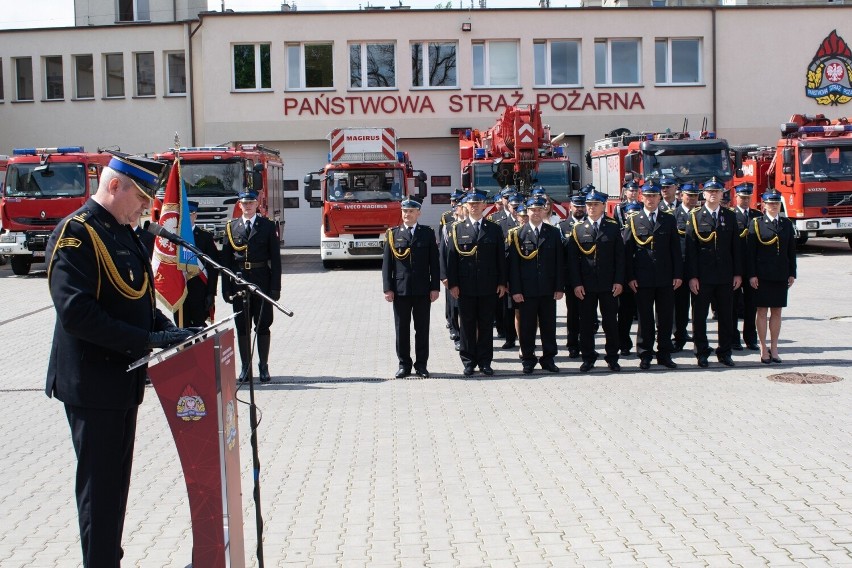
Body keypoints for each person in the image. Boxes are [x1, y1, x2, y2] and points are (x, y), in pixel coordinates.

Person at [45, 152, 195, 567]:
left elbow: (138, 299)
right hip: (92, 385)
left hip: (122, 381)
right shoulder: (76, 235)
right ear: (114, 186)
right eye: (140, 196)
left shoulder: (123, 233)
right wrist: (145, 339)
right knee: (100, 491)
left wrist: (172, 330)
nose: (145, 206)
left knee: (115, 490)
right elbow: (77, 314)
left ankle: (109, 557)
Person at [220, 190, 282, 383]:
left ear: (257, 205)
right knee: (242, 327)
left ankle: (263, 366)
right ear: (239, 205)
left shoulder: (267, 226)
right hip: (239, 282)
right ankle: (245, 367)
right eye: (244, 203)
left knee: (262, 325)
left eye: (251, 203)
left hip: (262, 281)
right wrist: (225, 288)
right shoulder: (231, 227)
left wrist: (275, 287)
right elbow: (226, 261)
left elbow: (276, 260)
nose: (247, 206)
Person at [446, 190, 507, 376]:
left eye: (478, 203)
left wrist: (502, 282)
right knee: (467, 325)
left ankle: (485, 361)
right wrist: (453, 284)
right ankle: (468, 361)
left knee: (486, 325)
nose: (474, 206)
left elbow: (500, 259)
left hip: (489, 285)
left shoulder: (494, 229)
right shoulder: (457, 229)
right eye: (471, 204)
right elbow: (452, 259)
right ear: (465, 206)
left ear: (483, 206)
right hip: (465, 287)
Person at [623, 181, 683, 370]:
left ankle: (664, 353)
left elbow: (676, 249)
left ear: (659, 198)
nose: (650, 199)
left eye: (654, 196)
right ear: (641, 198)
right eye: (647, 196)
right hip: (642, 278)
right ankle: (645, 353)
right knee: (645, 318)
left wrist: (678, 274)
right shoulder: (634, 220)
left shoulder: (668, 219)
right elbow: (627, 252)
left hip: (665, 277)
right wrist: (630, 277)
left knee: (665, 318)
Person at [685, 178, 742, 368]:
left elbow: (736, 247)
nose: (713, 194)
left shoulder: (730, 216)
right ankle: (701, 352)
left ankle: (725, 352)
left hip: (725, 276)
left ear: (722, 194)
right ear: (704, 194)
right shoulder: (695, 217)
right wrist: (692, 276)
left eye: (717, 192)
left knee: (726, 316)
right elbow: (691, 250)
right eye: (710, 191)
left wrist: (737, 273)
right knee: (699, 317)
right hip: (702, 277)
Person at [567, 190, 624, 372]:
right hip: (586, 285)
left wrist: (619, 281)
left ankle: (612, 357)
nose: (591, 208)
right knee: (586, 323)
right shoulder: (578, 229)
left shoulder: (613, 227)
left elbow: (620, 258)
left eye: (595, 205)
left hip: (608, 284)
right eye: (589, 205)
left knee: (610, 323)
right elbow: (573, 262)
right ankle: (588, 357)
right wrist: (576, 283)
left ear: (603, 206)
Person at [383, 198, 440, 378]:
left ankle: (421, 365)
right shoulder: (393, 234)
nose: (407, 215)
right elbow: (387, 264)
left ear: (418, 213)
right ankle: (404, 365)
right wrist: (387, 288)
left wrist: (435, 287)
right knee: (402, 329)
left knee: (422, 329)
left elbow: (434, 264)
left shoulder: (427, 233)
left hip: (423, 290)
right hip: (401, 290)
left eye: (410, 212)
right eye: (404, 211)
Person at [507, 196, 565, 374]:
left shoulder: (553, 233)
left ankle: (548, 358)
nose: (536, 213)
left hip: (548, 289)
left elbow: (559, 263)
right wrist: (515, 290)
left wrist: (559, 287)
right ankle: (528, 359)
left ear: (545, 211)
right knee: (527, 327)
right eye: (532, 210)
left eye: (540, 209)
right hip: (526, 290)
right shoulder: (518, 234)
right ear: (527, 211)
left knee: (549, 326)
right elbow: (513, 266)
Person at [748, 190, 796, 364]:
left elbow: (791, 250)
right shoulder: (757, 223)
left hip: (780, 274)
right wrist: (752, 274)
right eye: (770, 203)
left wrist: (792, 272)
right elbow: (750, 252)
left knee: (777, 311)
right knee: (761, 311)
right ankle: (763, 347)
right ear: (764, 205)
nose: (774, 205)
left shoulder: (786, 223)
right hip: (762, 275)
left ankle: (774, 348)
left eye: (776, 203)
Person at [174, 200, 220, 327]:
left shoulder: (205, 237)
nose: (187, 217)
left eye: (190, 214)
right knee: (182, 330)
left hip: (199, 293)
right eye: (184, 214)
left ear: (196, 215)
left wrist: (211, 292)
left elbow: (212, 267)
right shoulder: (173, 238)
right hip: (179, 293)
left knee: (200, 330)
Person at [731, 183, 761, 351]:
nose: (745, 200)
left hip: (752, 268)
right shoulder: (730, 215)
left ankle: (750, 338)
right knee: (733, 305)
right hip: (735, 267)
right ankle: (734, 338)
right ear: (736, 197)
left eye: (748, 197)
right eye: (742, 197)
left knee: (751, 306)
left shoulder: (757, 216)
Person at [557, 193, 588, 358]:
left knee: (588, 314)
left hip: (589, 276)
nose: (580, 209)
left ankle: (586, 344)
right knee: (573, 313)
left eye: (582, 206)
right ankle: (572, 344)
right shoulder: (562, 227)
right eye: (577, 206)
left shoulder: (591, 224)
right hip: (571, 279)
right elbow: (560, 257)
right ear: (570, 207)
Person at [672, 182, 700, 352]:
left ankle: (699, 339)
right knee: (680, 306)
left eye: (695, 195)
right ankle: (679, 337)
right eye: (689, 195)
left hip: (698, 267)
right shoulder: (673, 215)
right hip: (680, 267)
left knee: (699, 307)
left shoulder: (700, 214)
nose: (692, 198)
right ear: (681, 195)